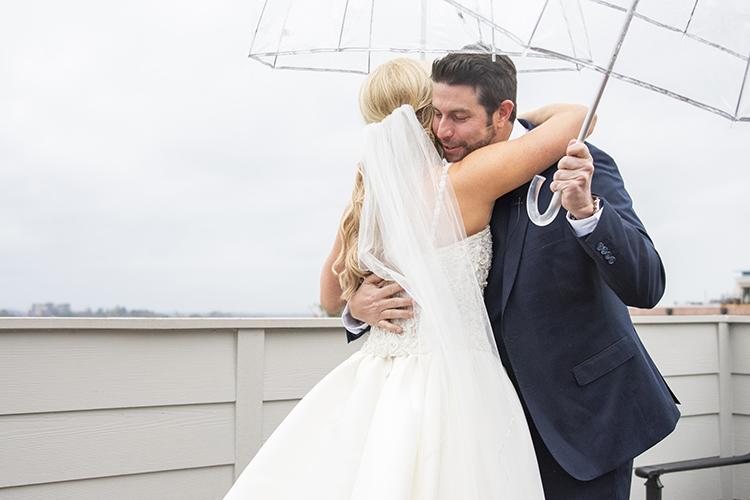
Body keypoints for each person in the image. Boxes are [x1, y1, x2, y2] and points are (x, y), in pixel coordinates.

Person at [223, 57, 590, 499]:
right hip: (457, 384)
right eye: (438, 110)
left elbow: (328, 298)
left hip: (379, 382)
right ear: (426, 115)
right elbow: (577, 118)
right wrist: (516, 116)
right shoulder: (465, 180)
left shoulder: (368, 199)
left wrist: (356, 304)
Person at [343, 52, 681, 500]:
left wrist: (586, 213)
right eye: (436, 113)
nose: (442, 131)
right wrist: (356, 308)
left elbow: (646, 284)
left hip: (582, 420)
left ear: (503, 114)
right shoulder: (430, 184)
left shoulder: (577, 161)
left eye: (459, 117)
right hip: (480, 427)